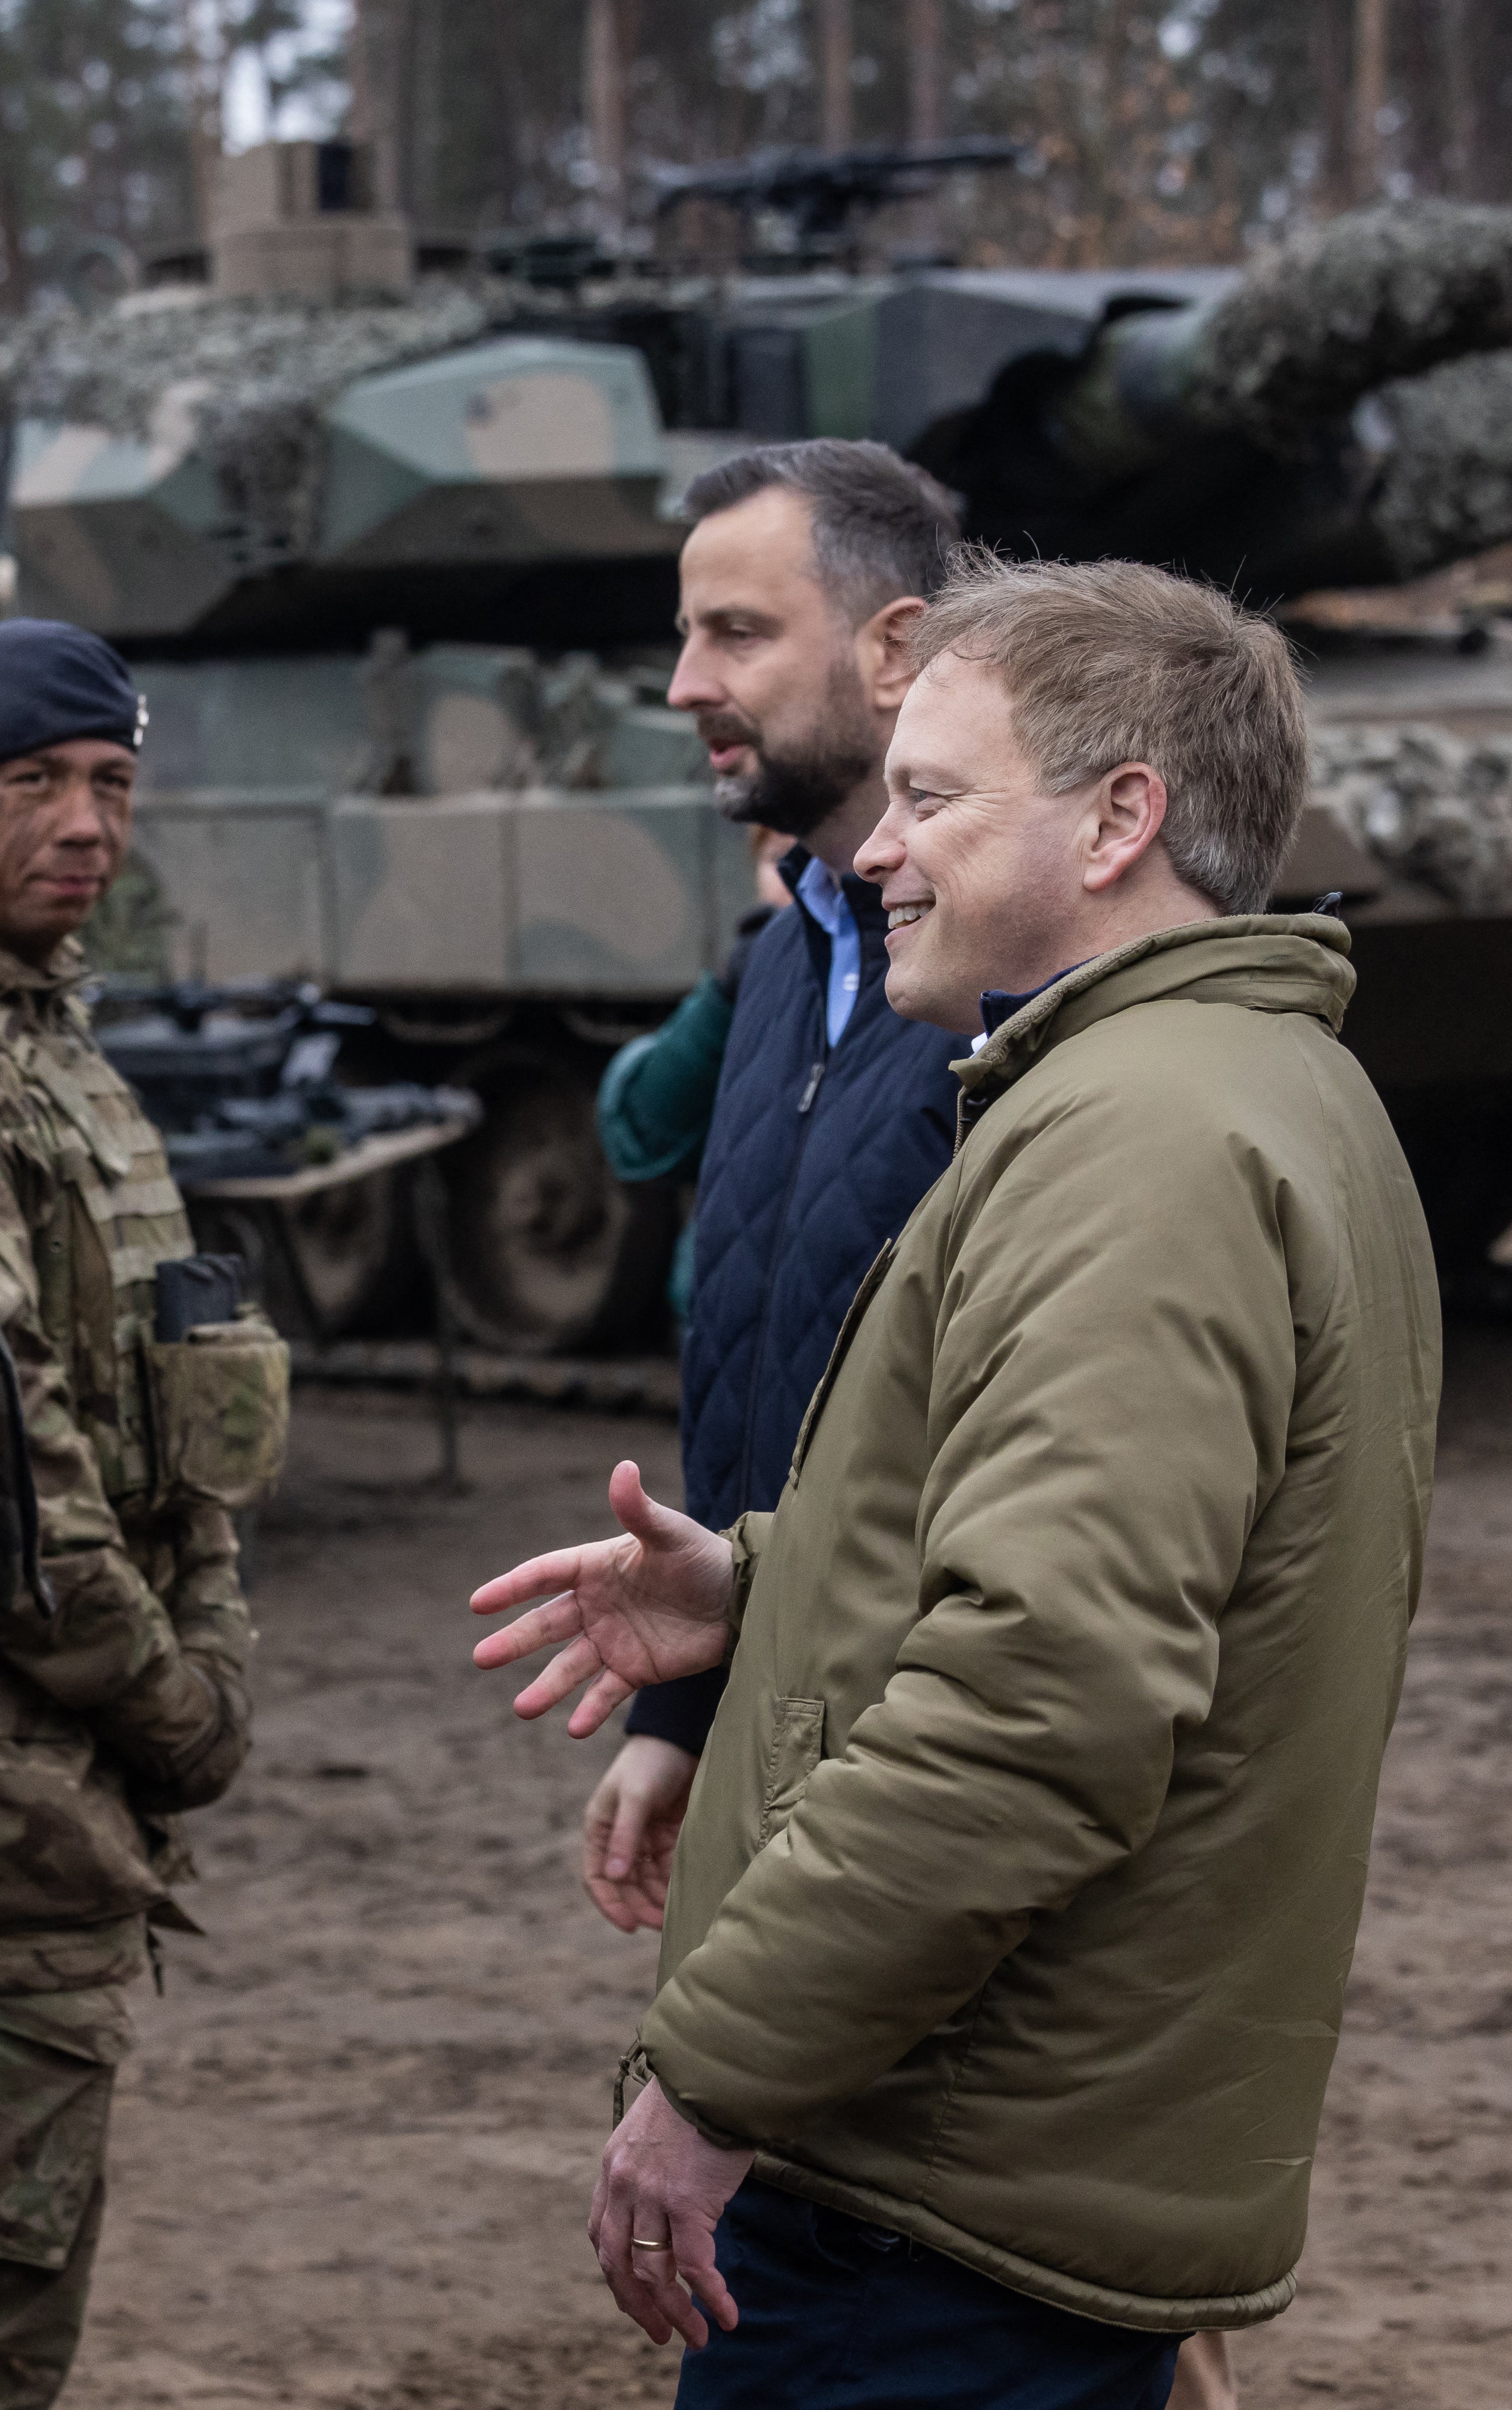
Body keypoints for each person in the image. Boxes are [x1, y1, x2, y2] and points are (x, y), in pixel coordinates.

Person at [472, 555, 1440, 2410]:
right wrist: (774, 1579)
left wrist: (714, 2076)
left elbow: (1048, 1695)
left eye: (930, 798)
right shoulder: (1244, 1082)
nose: (874, 851)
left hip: (932, 2185)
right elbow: (1149, 1570)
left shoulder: (1136, 1143)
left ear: (1119, 818)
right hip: (1021, 2150)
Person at [0, 616, 286, 2410]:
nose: (82, 822)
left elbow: (173, 1389)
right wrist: (167, 1696)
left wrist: (218, 1631)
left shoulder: (42, 1034)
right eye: (32, 783)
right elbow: (0, 1449)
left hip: (68, 1780)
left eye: (109, 784)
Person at [575, 441, 966, 1936]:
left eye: (734, 634)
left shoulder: (1012, 986)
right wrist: (684, 1711)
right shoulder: (789, 953)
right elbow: (764, 1344)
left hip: (924, 1772)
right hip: (779, 1728)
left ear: (896, 650)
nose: (683, 685)